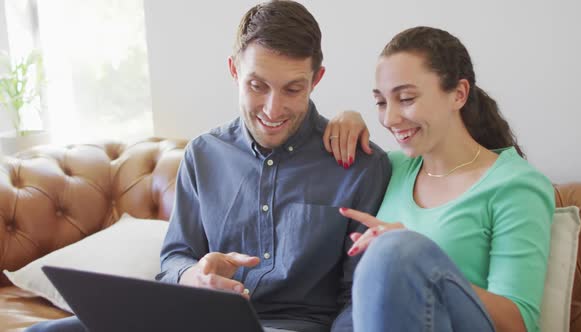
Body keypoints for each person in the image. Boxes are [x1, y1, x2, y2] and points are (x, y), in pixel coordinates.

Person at [25, 1, 391, 331]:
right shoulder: (203, 153)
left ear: (316, 79)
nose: (272, 108)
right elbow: (174, 257)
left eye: (292, 89)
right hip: (197, 320)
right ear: (234, 70)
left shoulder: (358, 165)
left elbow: (359, 295)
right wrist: (192, 276)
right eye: (257, 85)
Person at [323, 27, 554, 332]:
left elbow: (517, 321)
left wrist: (419, 259)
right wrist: (345, 118)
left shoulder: (515, 186)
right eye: (381, 102)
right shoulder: (389, 168)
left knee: (399, 251)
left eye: (405, 98)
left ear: (458, 94)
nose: (389, 119)